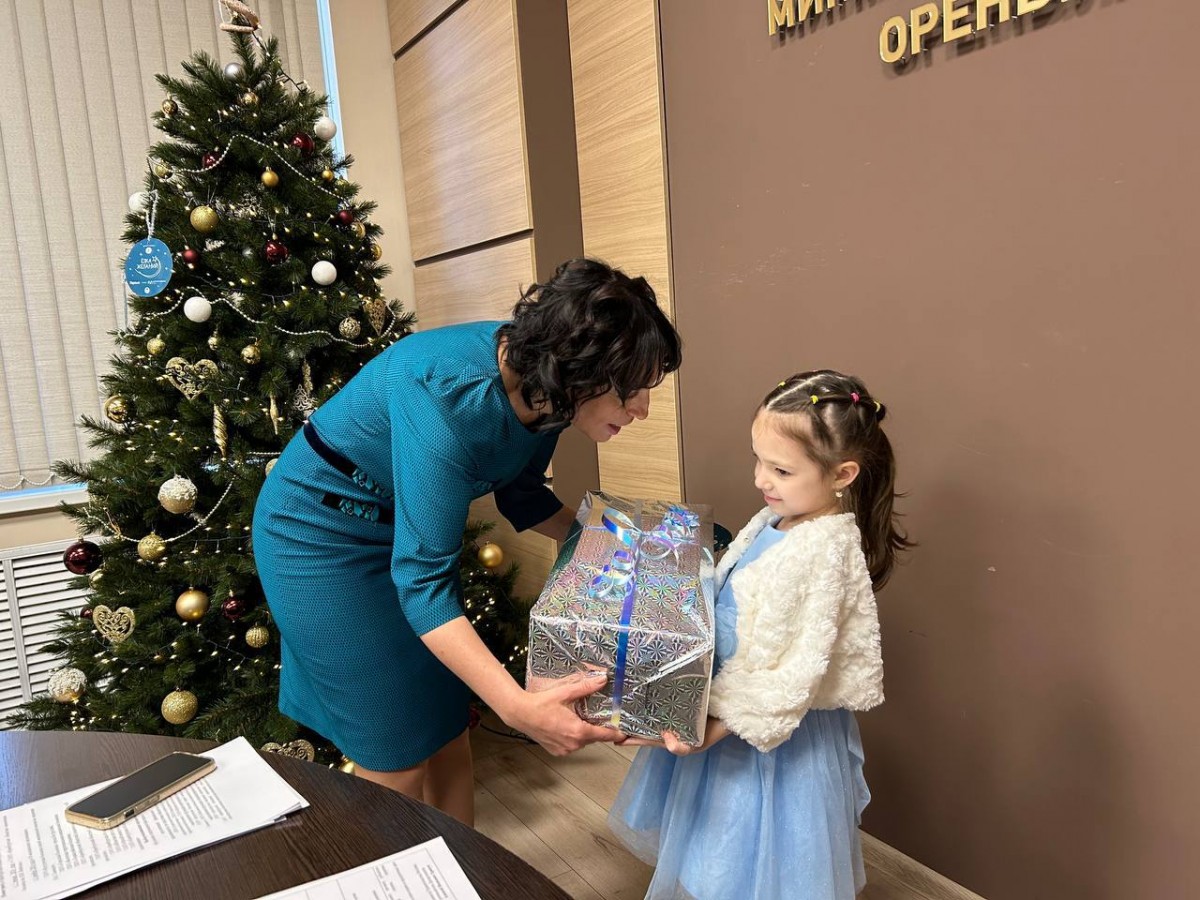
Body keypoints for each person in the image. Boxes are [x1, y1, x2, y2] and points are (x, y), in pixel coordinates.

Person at [252, 258, 682, 826]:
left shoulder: (548, 391)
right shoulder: (446, 398)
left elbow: (523, 497)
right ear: (577, 370)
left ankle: (460, 868)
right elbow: (423, 583)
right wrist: (518, 707)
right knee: (394, 749)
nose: (642, 410)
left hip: (402, 533)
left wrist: (621, 545)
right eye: (631, 390)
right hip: (317, 538)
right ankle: (382, 873)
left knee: (445, 723)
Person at [609, 370, 913, 900]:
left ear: (842, 474)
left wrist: (715, 727)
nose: (761, 479)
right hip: (724, 706)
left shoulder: (825, 552)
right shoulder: (776, 520)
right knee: (713, 849)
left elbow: (795, 669)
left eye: (781, 470)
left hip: (768, 737)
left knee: (755, 856)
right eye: (759, 460)